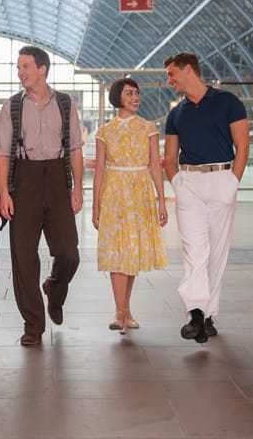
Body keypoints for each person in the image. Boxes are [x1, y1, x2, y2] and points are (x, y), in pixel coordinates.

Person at [0, 45, 84, 347]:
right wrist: (4, 193)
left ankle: (55, 289)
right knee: (23, 258)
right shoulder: (11, 107)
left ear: (42, 69)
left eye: (25, 67)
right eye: (18, 67)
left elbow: (74, 148)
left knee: (69, 252)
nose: (20, 72)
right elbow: (3, 154)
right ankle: (33, 325)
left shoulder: (65, 103)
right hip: (24, 180)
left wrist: (77, 188)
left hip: (58, 180)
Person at [162, 52, 249, 344]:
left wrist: (232, 183)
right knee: (194, 251)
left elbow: (243, 145)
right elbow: (169, 158)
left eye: (172, 74)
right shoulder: (176, 114)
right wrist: (178, 184)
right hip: (189, 185)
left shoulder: (228, 102)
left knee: (217, 253)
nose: (169, 81)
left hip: (221, 180)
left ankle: (209, 315)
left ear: (189, 71)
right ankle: (196, 313)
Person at [92, 77, 168, 334]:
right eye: (129, 93)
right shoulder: (104, 132)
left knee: (132, 251)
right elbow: (100, 169)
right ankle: (119, 311)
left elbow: (155, 165)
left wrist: (161, 200)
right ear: (118, 97)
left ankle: (125, 310)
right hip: (114, 192)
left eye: (137, 93)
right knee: (116, 251)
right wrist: (95, 206)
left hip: (140, 193)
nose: (135, 98)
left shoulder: (148, 128)